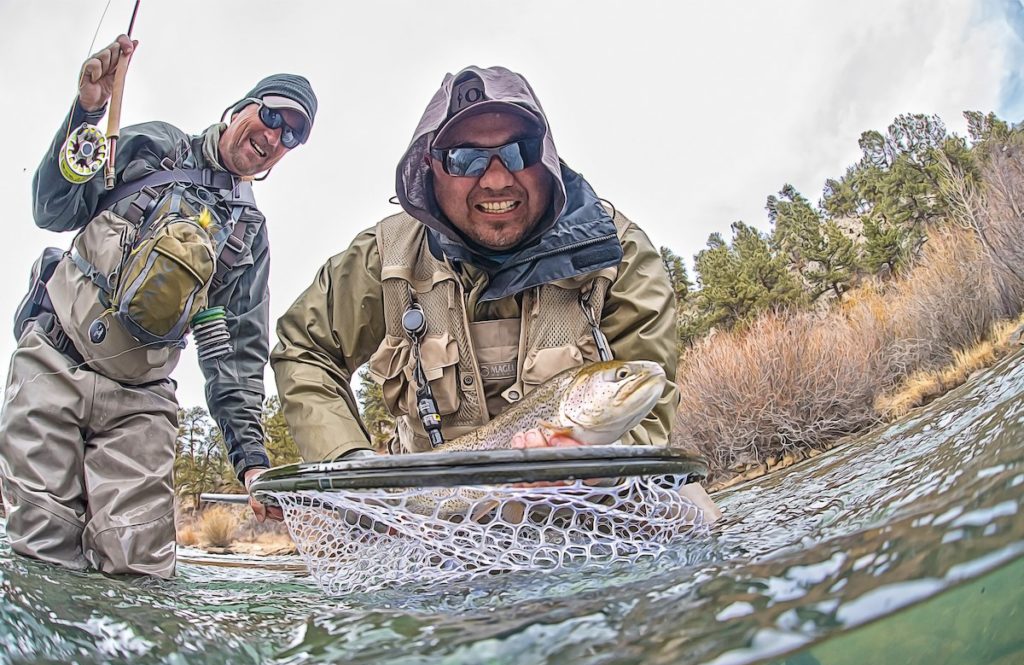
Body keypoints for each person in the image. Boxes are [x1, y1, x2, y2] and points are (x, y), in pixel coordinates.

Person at [268, 65, 719, 520]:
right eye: (467, 158)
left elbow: (650, 410)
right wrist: (352, 468)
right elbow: (303, 348)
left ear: (546, 157)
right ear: (431, 167)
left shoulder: (617, 251)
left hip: (594, 505)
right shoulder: (383, 258)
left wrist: (600, 470)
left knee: (693, 513)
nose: (498, 179)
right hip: (433, 515)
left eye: (519, 151)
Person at [0, 35, 317, 577]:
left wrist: (252, 463)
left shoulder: (247, 237)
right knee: (43, 547)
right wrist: (88, 112)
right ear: (241, 109)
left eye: (293, 134)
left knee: (140, 567)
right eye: (271, 116)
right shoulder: (152, 146)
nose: (275, 135)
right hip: (54, 360)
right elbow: (52, 207)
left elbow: (233, 354)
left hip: (141, 402)